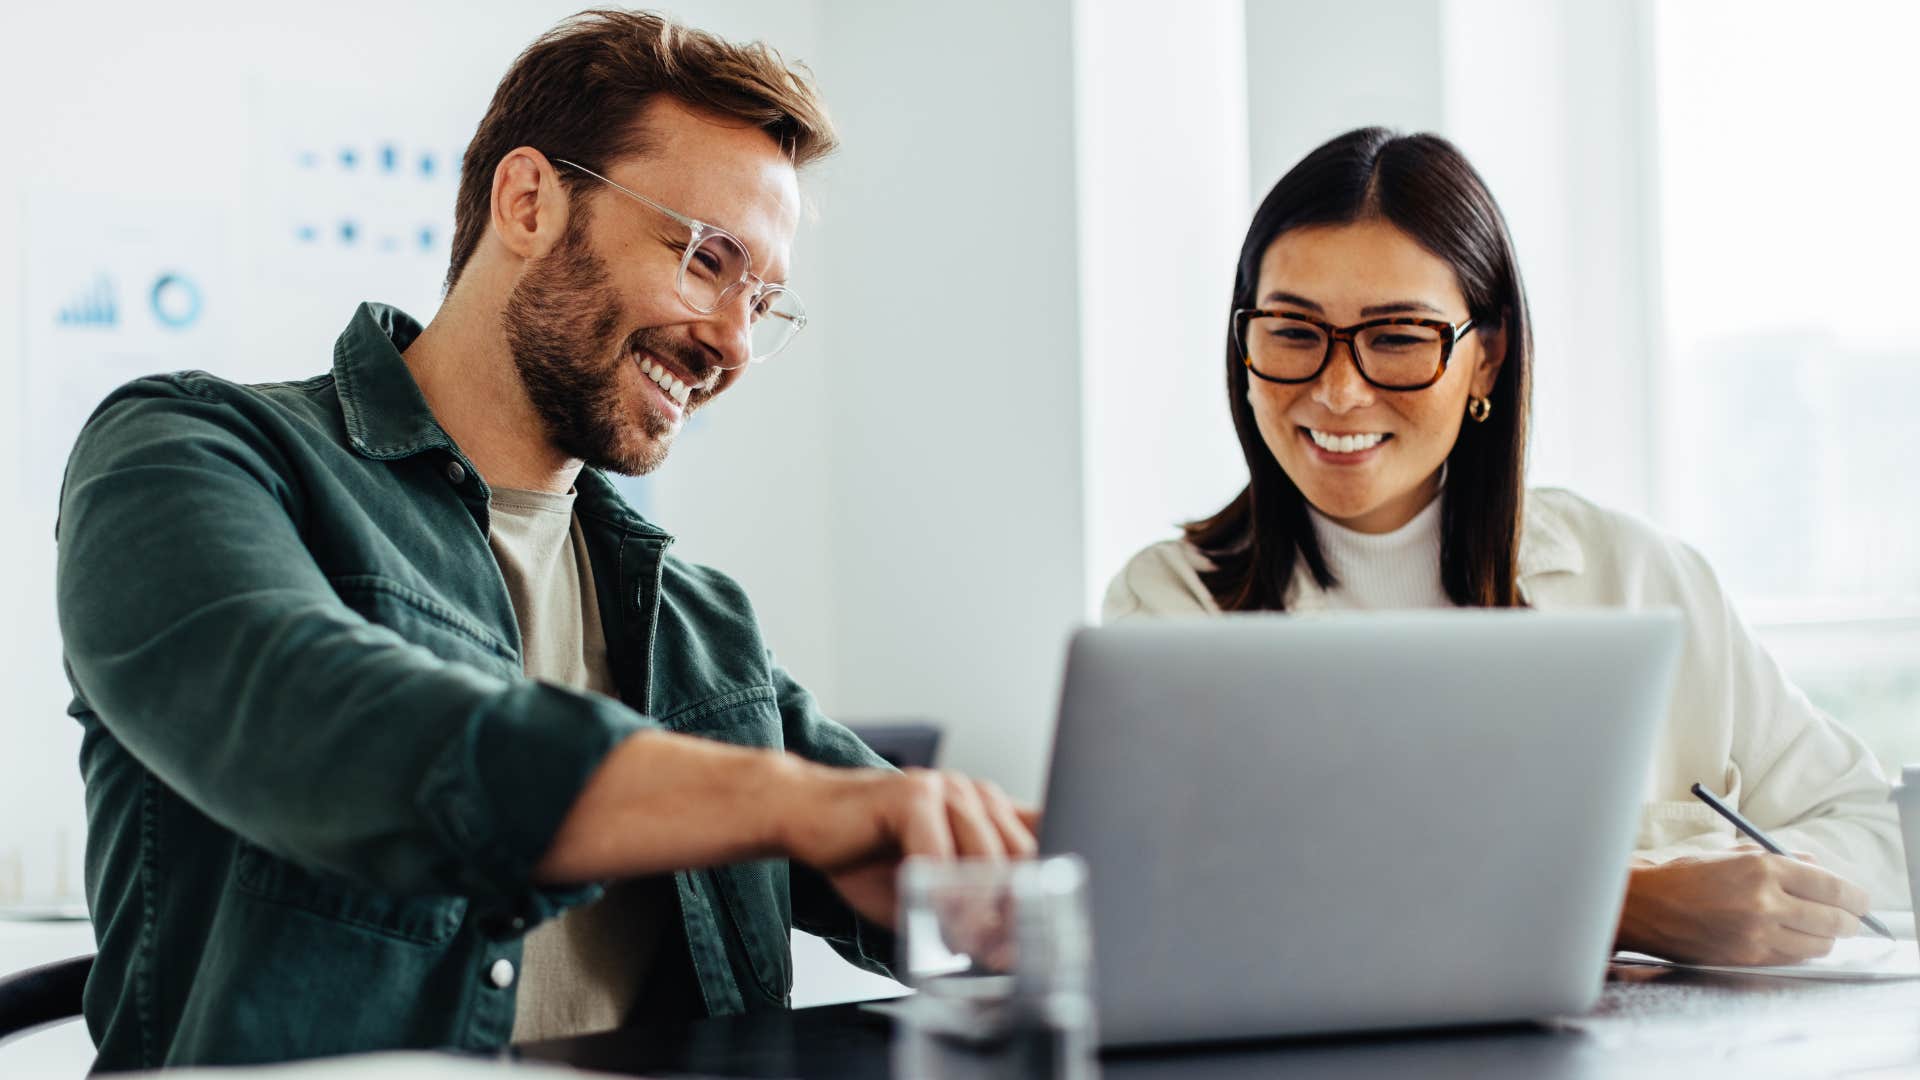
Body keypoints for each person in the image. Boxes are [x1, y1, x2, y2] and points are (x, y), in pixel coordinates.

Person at [55, 11, 1033, 1070]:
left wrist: (1007, 879)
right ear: (528, 202)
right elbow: (316, 714)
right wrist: (790, 803)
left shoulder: (700, 622)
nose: (734, 344)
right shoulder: (193, 450)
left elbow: (886, 834)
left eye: (764, 302)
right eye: (707, 259)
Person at [1104, 127, 1906, 968]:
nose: (1338, 389)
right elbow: (1183, 902)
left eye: (1399, 338)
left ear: (1485, 360)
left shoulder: (1636, 575)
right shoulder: (1170, 608)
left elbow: (1880, 840)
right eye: (1294, 332)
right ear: (1244, 344)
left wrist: (1732, 890)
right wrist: (1621, 903)